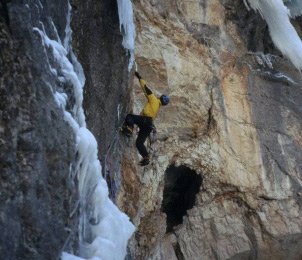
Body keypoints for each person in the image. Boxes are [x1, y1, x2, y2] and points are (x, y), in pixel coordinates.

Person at [121, 71, 170, 166]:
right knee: (139, 143)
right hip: (149, 125)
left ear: (160, 97)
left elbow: (145, 88)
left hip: (145, 120)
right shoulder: (157, 110)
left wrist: (140, 77)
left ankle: (129, 129)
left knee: (129, 117)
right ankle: (146, 157)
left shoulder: (154, 99)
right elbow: (150, 120)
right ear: (163, 104)